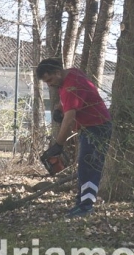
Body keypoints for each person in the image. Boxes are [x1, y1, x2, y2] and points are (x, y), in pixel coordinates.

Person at [37, 58, 112, 217]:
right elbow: (70, 101)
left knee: (89, 166)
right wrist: (59, 108)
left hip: (97, 128)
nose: (49, 84)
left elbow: (69, 118)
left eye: (50, 80)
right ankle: (81, 202)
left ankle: (86, 206)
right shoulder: (70, 75)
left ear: (57, 72)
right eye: (46, 82)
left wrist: (58, 145)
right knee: (84, 166)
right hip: (91, 126)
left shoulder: (71, 87)